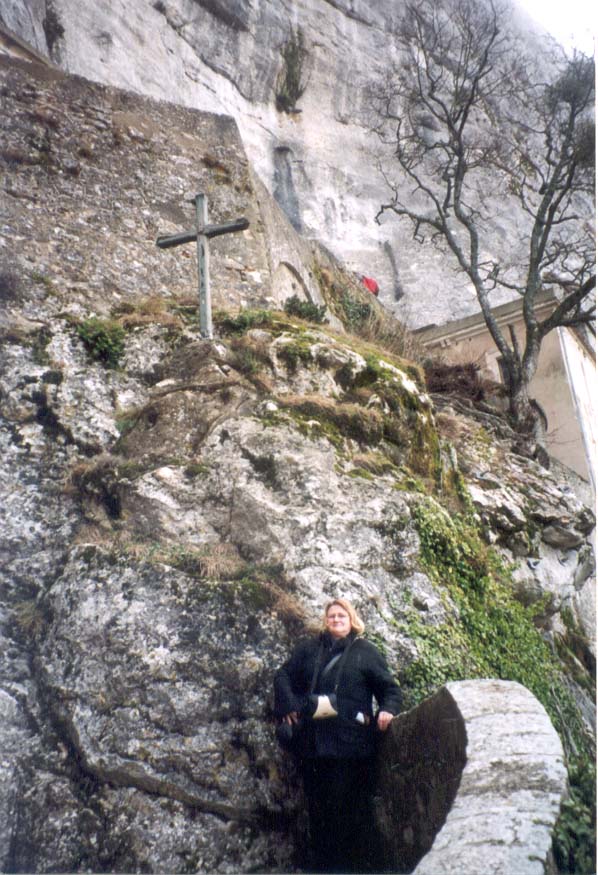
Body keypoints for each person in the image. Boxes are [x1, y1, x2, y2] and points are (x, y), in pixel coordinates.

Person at [274, 598, 402, 873]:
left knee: (345, 810)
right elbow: (283, 675)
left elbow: (389, 689)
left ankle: (345, 868)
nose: (335, 620)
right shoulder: (310, 650)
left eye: (341, 615)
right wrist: (289, 707)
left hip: (350, 747)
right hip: (313, 744)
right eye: (331, 615)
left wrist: (388, 710)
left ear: (352, 619)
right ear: (325, 620)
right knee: (317, 809)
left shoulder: (365, 652)